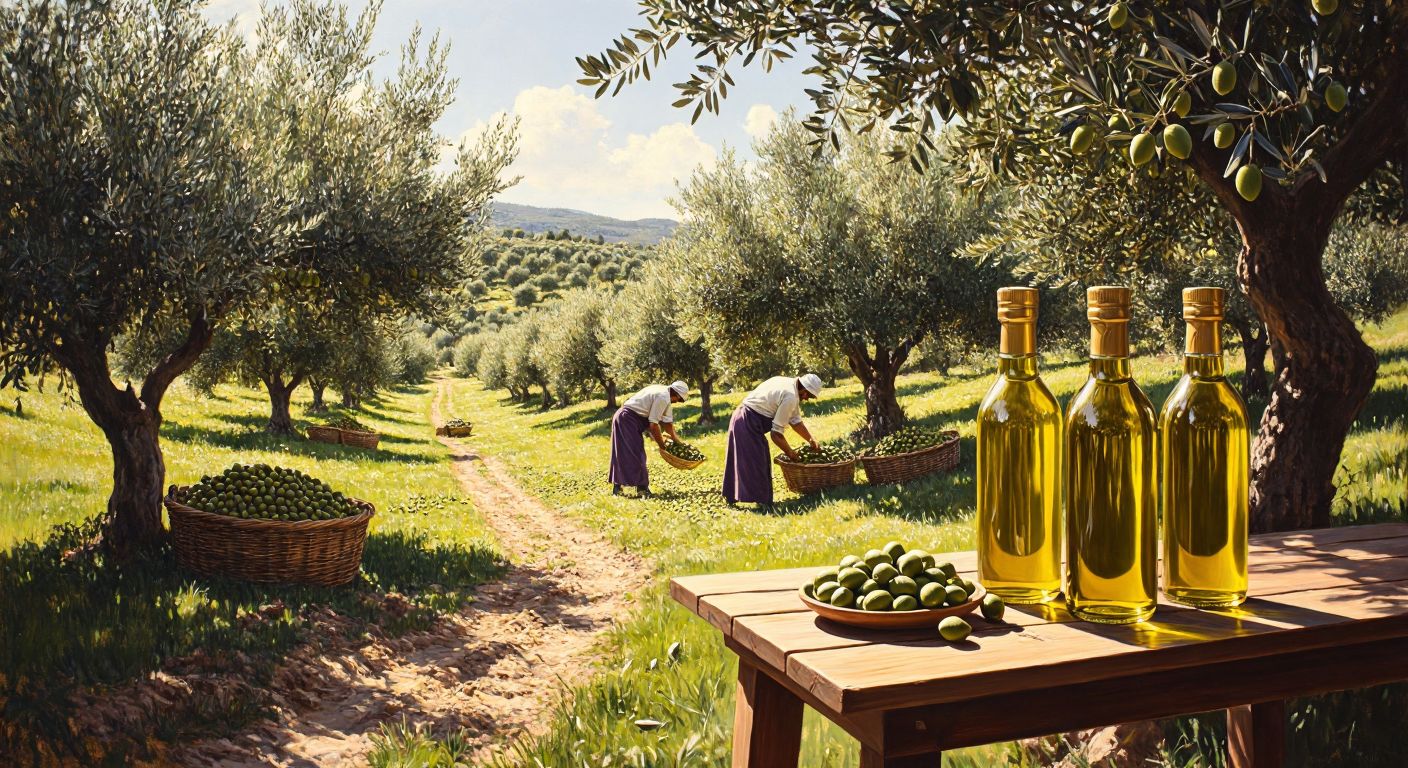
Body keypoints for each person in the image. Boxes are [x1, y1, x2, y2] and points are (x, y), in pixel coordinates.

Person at [723, 374, 824, 507]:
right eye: (808, 395)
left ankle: (733, 497)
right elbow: (776, 434)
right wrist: (790, 453)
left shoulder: (787, 384)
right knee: (757, 461)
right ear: (804, 389)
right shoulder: (790, 396)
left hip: (740, 416)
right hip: (747, 421)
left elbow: (795, 421)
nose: (806, 399)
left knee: (749, 458)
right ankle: (762, 503)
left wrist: (811, 439)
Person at [609, 380, 688, 497]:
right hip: (627, 419)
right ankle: (641, 489)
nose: (678, 402)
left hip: (627, 418)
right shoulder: (663, 397)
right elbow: (654, 425)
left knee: (627, 453)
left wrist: (677, 442)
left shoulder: (663, 392)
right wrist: (662, 445)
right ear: (675, 393)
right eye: (679, 399)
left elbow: (668, 425)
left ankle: (620, 487)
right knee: (635, 454)